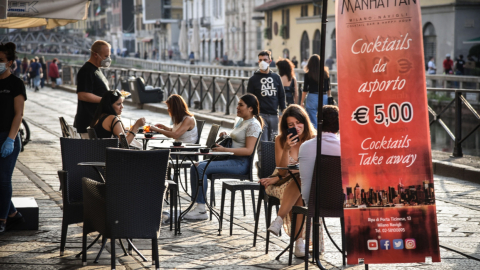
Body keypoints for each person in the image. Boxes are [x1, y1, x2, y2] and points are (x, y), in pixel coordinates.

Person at [185, 94, 264, 220]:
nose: (237, 107)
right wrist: (227, 136)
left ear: (251, 108)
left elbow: (248, 151)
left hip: (240, 164)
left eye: (241, 105)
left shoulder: (253, 125)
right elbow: (238, 139)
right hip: (230, 160)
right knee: (194, 166)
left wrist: (225, 149)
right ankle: (197, 204)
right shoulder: (241, 121)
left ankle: (201, 210)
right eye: (238, 104)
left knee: (200, 168)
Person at [259, 105, 316, 258]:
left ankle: (279, 219)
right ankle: (299, 243)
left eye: (298, 122)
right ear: (286, 127)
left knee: (300, 184)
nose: (295, 127)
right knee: (300, 186)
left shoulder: (313, 139)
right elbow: (283, 171)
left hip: (302, 182)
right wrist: (285, 149)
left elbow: (313, 168)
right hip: (279, 182)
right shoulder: (281, 140)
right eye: (291, 125)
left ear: (305, 121)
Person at [297, 105, 341, 255]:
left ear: (318, 122)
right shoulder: (346, 148)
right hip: (342, 202)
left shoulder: (305, 147)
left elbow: (305, 181)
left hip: (313, 202)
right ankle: (354, 252)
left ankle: (304, 247)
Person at [0, 42, 27, 234]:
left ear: (9, 62)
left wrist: (10, 139)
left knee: (3, 179)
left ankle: (2, 220)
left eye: (0, 60)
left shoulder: (16, 84)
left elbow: (19, 114)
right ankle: (13, 214)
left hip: (8, 137)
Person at [247, 50, 286, 168]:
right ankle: (263, 167)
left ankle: (273, 166)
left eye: (265, 60)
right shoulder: (253, 79)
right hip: (261, 116)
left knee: (274, 143)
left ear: (270, 61)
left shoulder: (276, 77)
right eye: (260, 60)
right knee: (262, 144)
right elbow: (249, 99)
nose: (262, 62)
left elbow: (281, 96)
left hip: (274, 116)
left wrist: (282, 112)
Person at [74, 40, 112, 139]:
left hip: (98, 123)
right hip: (89, 123)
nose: (108, 59)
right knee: (92, 152)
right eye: (105, 56)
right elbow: (83, 95)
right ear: (96, 55)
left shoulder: (97, 69)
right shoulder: (86, 71)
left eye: (109, 56)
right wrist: (105, 100)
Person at [301, 54, 331, 129]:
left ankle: (315, 134)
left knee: (312, 118)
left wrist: (302, 101)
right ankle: (322, 133)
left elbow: (305, 89)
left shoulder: (308, 74)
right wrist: (329, 97)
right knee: (323, 117)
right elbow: (328, 88)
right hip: (323, 96)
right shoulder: (325, 74)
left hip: (312, 96)